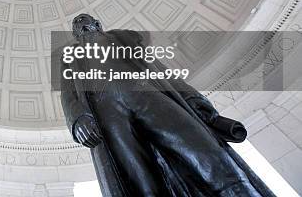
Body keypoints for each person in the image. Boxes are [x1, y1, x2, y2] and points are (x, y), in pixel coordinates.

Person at [60, 13, 274, 197]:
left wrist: (194, 101)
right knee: (141, 184)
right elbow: (68, 93)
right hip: (107, 113)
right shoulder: (70, 57)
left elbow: (163, 72)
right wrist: (77, 118)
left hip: (146, 94)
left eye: (84, 20)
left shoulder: (121, 38)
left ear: (97, 24)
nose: (80, 23)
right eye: (77, 23)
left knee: (205, 153)